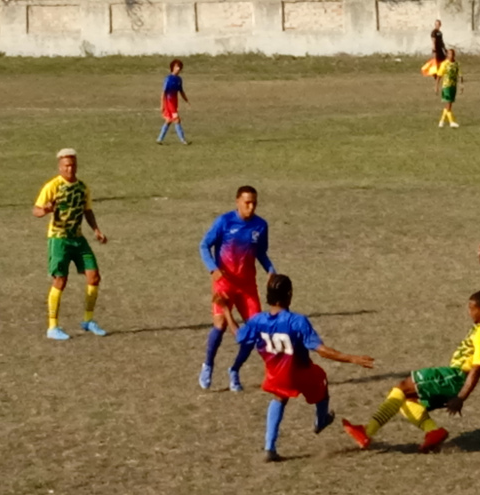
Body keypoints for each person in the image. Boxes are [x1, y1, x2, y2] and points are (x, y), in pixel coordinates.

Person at [342, 244, 480, 453]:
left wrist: (461, 397)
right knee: (407, 400)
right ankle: (433, 431)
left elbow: (478, 369)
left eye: (472, 309)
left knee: (402, 387)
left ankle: (367, 432)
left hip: (455, 377)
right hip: (454, 377)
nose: (468, 312)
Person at [235, 274, 374, 462]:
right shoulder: (297, 321)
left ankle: (269, 447)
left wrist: (225, 313)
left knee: (279, 398)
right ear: (289, 294)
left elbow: (239, 336)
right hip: (300, 372)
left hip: (275, 374)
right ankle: (321, 419)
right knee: (321, 379)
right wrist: (352, 358)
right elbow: (322, 351)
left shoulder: (257, 320)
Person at [198, 186, 276, 391]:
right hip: (224, 283)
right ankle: (208, 365)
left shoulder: (261, 226)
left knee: (255, 331)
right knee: (221, 324)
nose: (251, 207)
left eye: (254, 203)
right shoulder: (224, 222)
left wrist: (271, 270)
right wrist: (212, 269)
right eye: (247, 202)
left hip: (247, 286)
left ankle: (234, 370)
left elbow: (261, 253)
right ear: (237, 202)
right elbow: (204, 245)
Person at [32, 149, 108, 341]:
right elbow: (36, 210)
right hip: (59, 239)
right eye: (66, 165)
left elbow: (87, 210)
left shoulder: (82, 187)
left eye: (73, 164)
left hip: (78, 238)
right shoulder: (53, 186)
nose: (70, 168)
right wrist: (46, 210)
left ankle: (88, 321)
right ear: (60, 167)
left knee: (94, 276)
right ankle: (52, 326)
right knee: (60, 280)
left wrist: (96, 230)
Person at [157, 59, 189, 145]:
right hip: (169, 101)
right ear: (172, 67)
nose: (178, 68)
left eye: (179, 67)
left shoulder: (179, 79)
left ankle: (159, 139)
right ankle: (182, 140)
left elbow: (181, 91)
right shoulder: (168, 79)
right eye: (176, 66)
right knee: (177, 120)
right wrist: (162, 105)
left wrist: (186, 100)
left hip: (175, 101)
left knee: (168, 120)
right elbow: (163, 92)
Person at [435, 49, 462, 128]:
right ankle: (451, 122)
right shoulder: (444, 64)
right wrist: (436, 86)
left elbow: (460, 75)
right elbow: (439, 76)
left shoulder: (456, 64)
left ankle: (441, 121)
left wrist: (462, 85)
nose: (451, 56)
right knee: (449, 103)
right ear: (447, 55)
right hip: (446, 86)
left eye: (452, 54)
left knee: (449, 105)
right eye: (449, 54)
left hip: (453, 86)